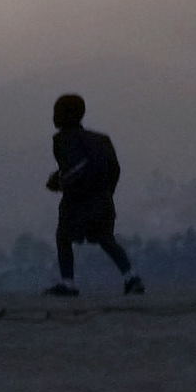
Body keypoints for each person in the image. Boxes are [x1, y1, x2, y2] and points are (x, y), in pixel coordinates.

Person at [45, 93, 142, 297]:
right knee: (107, 239)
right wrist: (107, 193)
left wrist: (59, 182)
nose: (53, 117)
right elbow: (114, 169)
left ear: (66, 115)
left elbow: (74, 169)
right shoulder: (101, 140)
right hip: (102, 200)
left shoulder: (63, 139)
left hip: (78, 203)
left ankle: (68, 284)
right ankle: (131, 278)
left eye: (57, 112)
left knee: (63, 238)